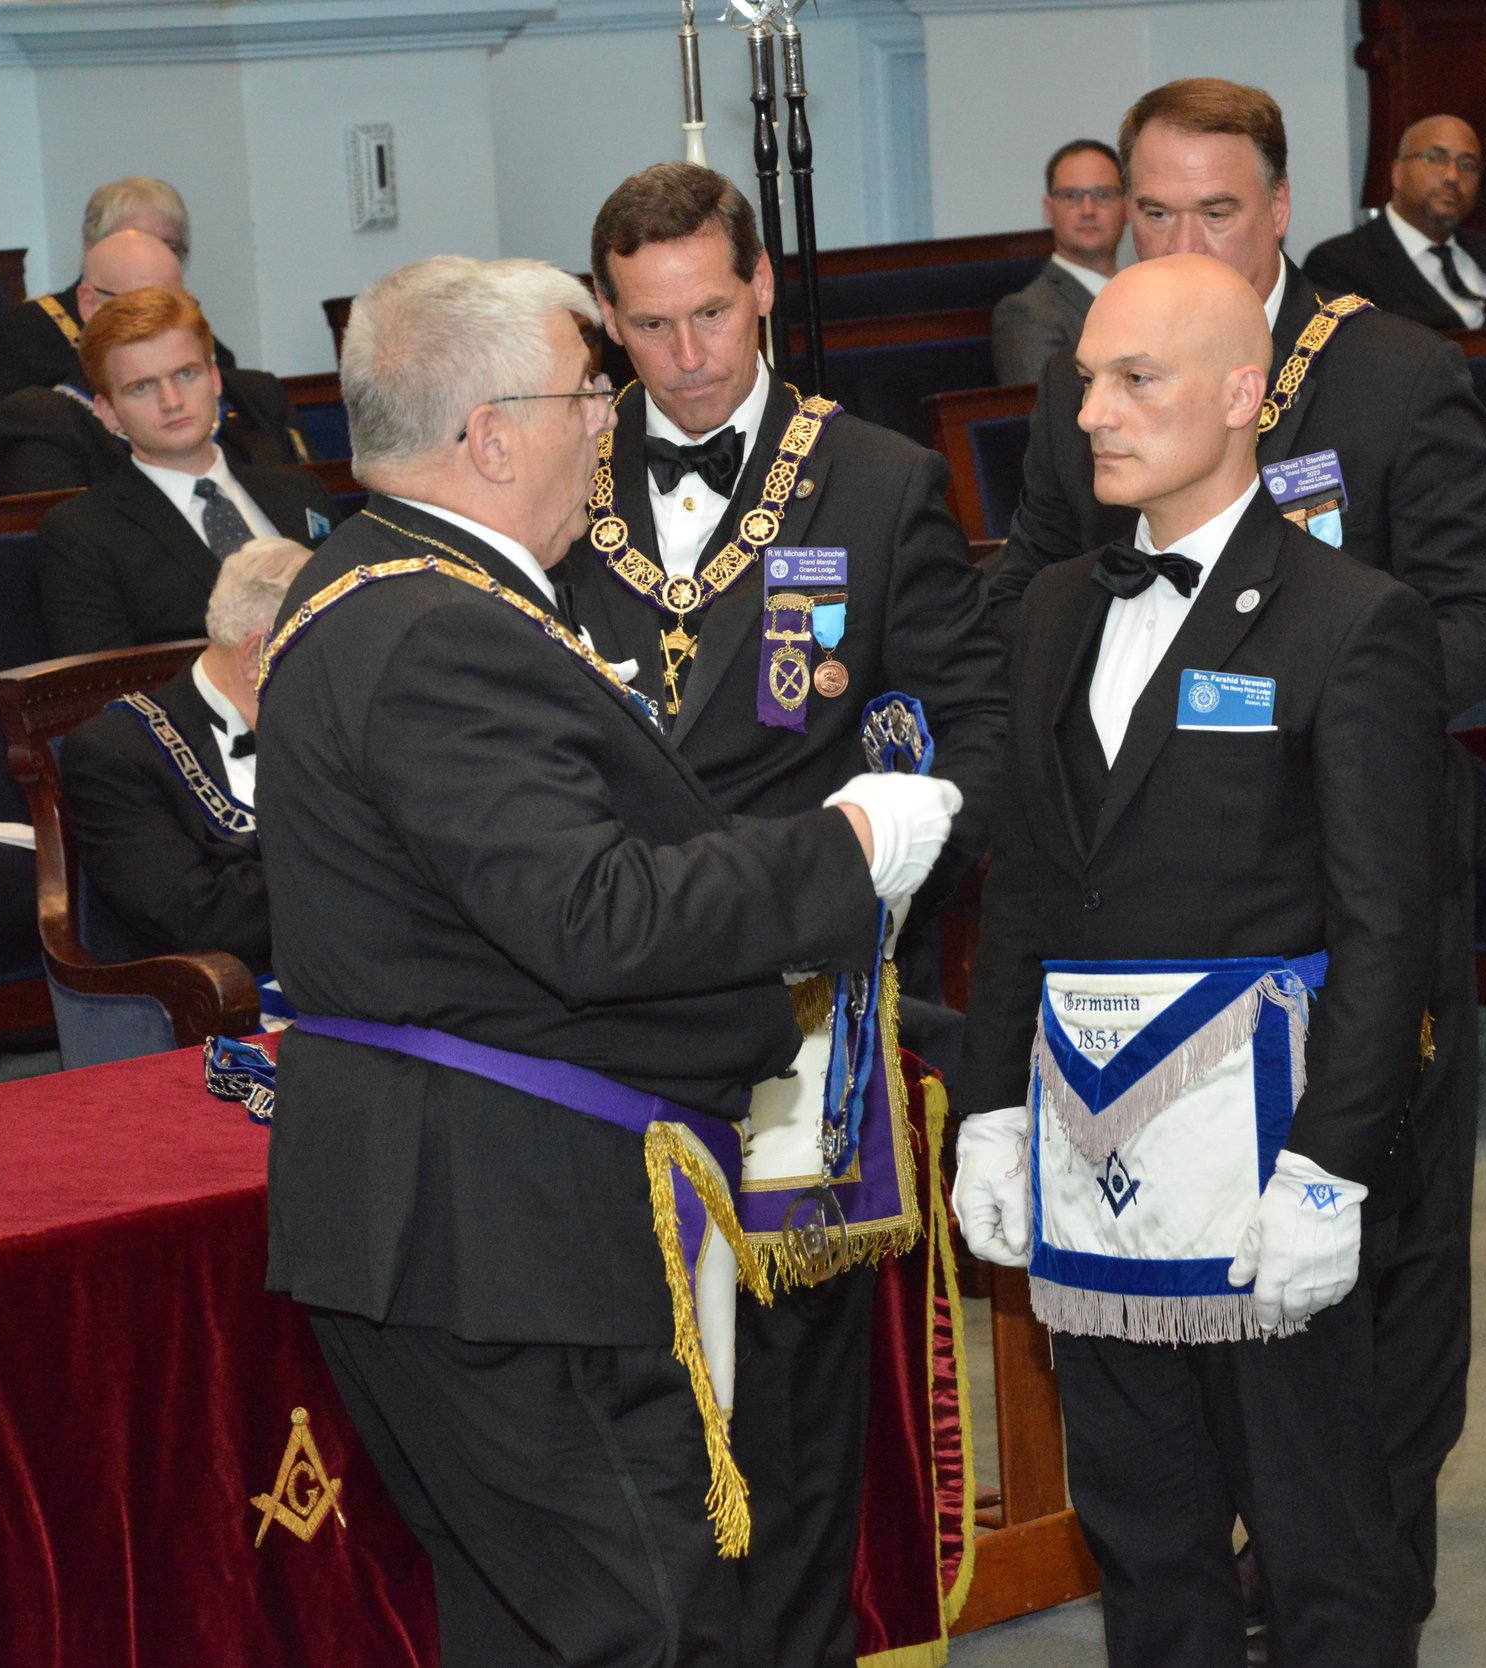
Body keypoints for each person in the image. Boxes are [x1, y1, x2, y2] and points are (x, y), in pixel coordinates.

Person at [257, 253, 962, 1668]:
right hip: (504, 1233)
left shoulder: (375, 586)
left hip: (456, 1217)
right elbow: (594, 915)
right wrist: (844, 845)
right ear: (492, 431)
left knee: (530, 1631)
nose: (612, 419)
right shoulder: (442, 627)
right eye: (588, 389)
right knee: (654, 1628)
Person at [990, 76, 1486, 1627]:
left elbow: (1484, 624)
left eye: (1212, 212)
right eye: (1149, 211)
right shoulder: (1094, 397)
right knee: (1147, 1501)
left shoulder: (1392, 376)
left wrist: (1299, 670)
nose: (1177, 236)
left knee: (1341, 1458)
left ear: (1279, 211)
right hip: (1114, 1008)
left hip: (1323, 958)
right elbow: (1036, 590)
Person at [952, 253, 1444, 1667]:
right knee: (1144, 1537)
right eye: (1087, 380)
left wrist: (1330, 1167)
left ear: (1243, 395)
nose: (1092, 412)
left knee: (1323, 1549)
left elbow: (1385, 930)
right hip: (1096, 1164)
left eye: (1134, 380)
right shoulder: (1050, 608)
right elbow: (1032, 889)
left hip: (1270, 1168)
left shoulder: (1354, 620)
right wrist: (993, 1110)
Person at [562, 160, 1009, 1668]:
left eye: (711, 313)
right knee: (629, 1375)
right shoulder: (559, 472)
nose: (687, 356)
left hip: (806, 1006)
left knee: (802, 1403)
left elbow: (967, 729)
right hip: (603, 991)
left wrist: (885, 858)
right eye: (649, 326)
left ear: (761, 287)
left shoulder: (875, 479)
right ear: (607, 325)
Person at [34, 286, 338, 654]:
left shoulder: (301, 493)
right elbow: (103, 685)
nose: (172, 402)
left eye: (186, 375)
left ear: (215, 379)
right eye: (142, 387)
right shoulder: (83, 535)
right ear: (108, 412)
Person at [59, 537, 310, 973]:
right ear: (256, 656)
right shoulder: (117, 753)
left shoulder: (350, 719)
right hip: (236, 1005)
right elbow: (198, 922)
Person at [0, 227, 306, 497]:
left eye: (174, 302)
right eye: (140, 307)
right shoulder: (45, 422)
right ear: (89, 305)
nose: (171, 401)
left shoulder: (255, 396)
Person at [0, 176, 195, 406]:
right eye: (135, 241)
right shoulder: (11, 334)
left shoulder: (187, 327)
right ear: (91, 247)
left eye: (169, 246)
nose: (154, 255)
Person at [1301, 115, 1486, 334]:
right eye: (1435, 158)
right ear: (1397, 173)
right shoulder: (1339, 264)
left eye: (1467, 164)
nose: (1452, 176)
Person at [992, 139, 1127, 383]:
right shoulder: (1027, 312)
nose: (1088, 210)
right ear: (1049, 210)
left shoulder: (1147, 294)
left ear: (1127, 206)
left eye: (1103, 195)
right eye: (1072, 196)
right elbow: (1046, 416)